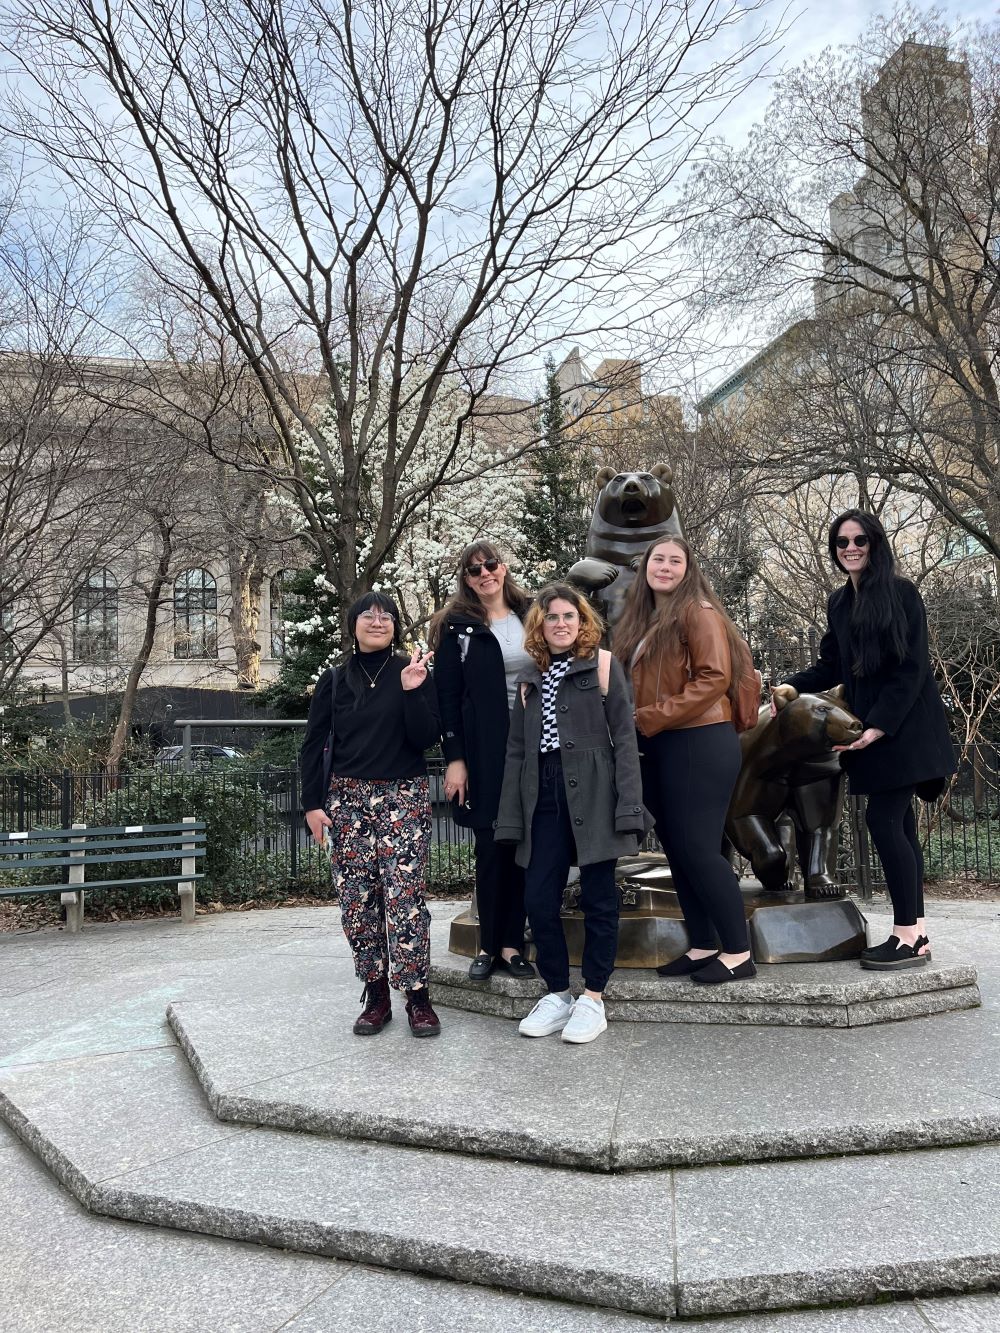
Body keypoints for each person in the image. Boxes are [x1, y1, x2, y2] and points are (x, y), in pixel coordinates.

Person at [774, 510, 955, 970]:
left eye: (859, 540)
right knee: (902, 827)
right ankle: (915, 932)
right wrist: (788, 687)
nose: (850, 548)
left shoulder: (901, 593)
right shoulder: (839, 602)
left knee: (884, 819)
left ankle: (906, 934)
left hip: (903, 730)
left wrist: (877, 726)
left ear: (875, 544)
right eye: (841, 542)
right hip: (868, 733)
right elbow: (831, 666)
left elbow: (910, 669)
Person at [495, 583, 648, 1044]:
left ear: (582, 622)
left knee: (600, 896)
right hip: (541, 791)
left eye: (569, 616)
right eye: (552, 617)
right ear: (539, 625)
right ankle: (558, 992)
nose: (561, 624)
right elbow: (517, 751)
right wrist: (511, 816)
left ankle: (594, 998)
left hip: (595, 790)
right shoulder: (528, 676)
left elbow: (625, 740)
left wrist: (629, 805)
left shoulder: (603, 666)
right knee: (539, 896)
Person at [614, 536, 755, 984]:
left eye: (677, 561)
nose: (667, 567)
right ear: (646, 567)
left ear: (688, 569)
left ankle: (738, 951)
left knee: (698, 848)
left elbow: (715, 677)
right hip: (662, 742)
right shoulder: (643, 619)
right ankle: (703, 943)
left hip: (700, 738)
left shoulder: (698, 611)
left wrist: (652, 717)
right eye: (659, 559)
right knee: (678, 849)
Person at [300, 592, 443, 1035]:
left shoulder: (411, 670)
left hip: (404, 796)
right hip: (347, 800)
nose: (378, 621)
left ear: (396, 626)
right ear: (353, 624)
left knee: (405, 900)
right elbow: (313, 743)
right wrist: (312, 804)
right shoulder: (335, 680)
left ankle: (417, 997)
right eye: (368, 614)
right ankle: (376, 994)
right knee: (358, 903)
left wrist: (415, 691)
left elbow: (425, 738)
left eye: (387, 615)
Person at [430, 541, 536, 981]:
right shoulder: (457, 626)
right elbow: (447, 699)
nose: (485, 574)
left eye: (490, 565)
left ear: (503, 568)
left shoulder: (534, 613)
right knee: (491, 848)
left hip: (536, 744)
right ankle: (490, 944)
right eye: (474, 571)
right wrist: (456, 759)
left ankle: (515, 944)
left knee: (528, 847)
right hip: (487, 750)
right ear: (466, 580)